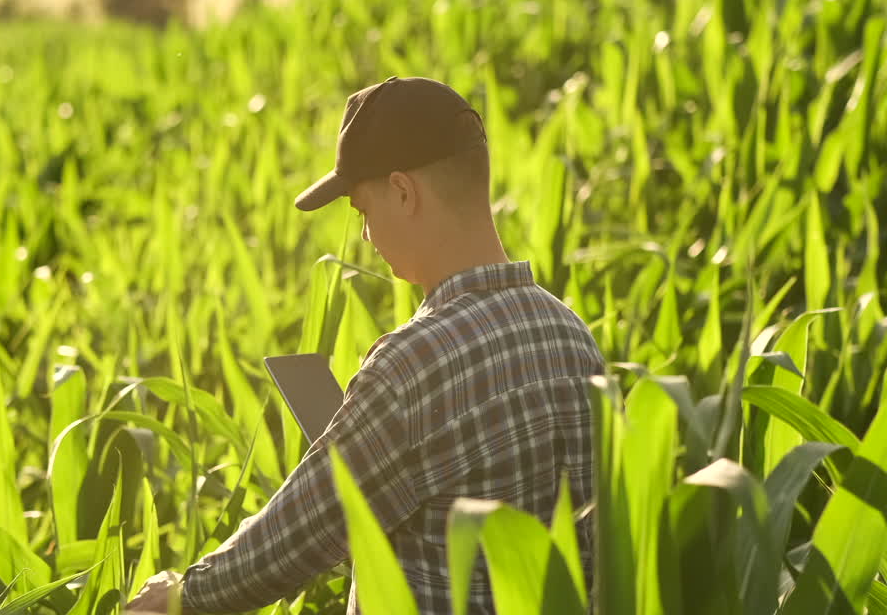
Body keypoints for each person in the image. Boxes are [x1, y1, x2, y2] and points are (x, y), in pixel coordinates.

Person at [126, 76, 605, 615]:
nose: (366, 238)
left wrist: (183, 595)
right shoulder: (572, 336)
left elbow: (296, 536)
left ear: (403, 192)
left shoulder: (414, 366)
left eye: (362, 211)